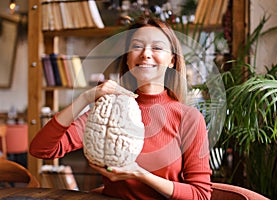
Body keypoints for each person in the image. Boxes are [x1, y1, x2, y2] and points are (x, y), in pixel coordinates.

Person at [30, 16, 212, 199]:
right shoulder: (108, 109)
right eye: (137, 46)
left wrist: (139, 174)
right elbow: (42, 149)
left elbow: (201, 195)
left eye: (157, 47)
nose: (146, 54)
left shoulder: (189, 118)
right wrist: (86, 98)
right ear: (127, 59)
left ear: (172, 60)